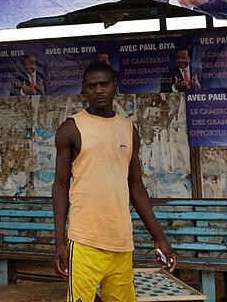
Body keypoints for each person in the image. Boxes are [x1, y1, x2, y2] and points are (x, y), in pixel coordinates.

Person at [52, 62, 177, 301]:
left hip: (121, 241)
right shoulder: (71, 128)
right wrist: (59, 242)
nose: (98, 90)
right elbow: (60, 185)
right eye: (92, 86)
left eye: (104, 84)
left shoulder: (128, 130)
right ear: (84, 91)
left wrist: (159, 237)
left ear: (115, 87)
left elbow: (136, 187)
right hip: (84, 239)